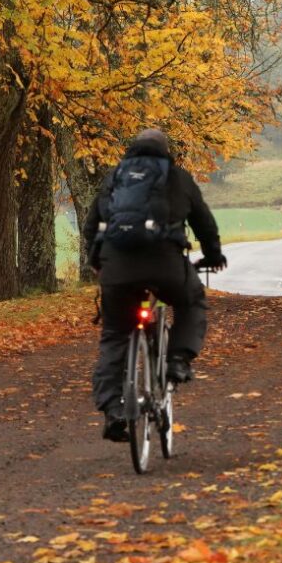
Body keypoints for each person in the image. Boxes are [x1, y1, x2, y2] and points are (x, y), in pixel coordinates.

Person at [83, 128, 226, 443]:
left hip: (117, 269)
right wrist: (213, 255)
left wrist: (98, 262)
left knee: (115, 336)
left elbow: (92, 225)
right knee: (190, 301)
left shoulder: (115, 178)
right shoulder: (177, 178)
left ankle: (113, 411)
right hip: (165, 266)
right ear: (165, 151)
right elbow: (204, 221)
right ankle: (177, 359)